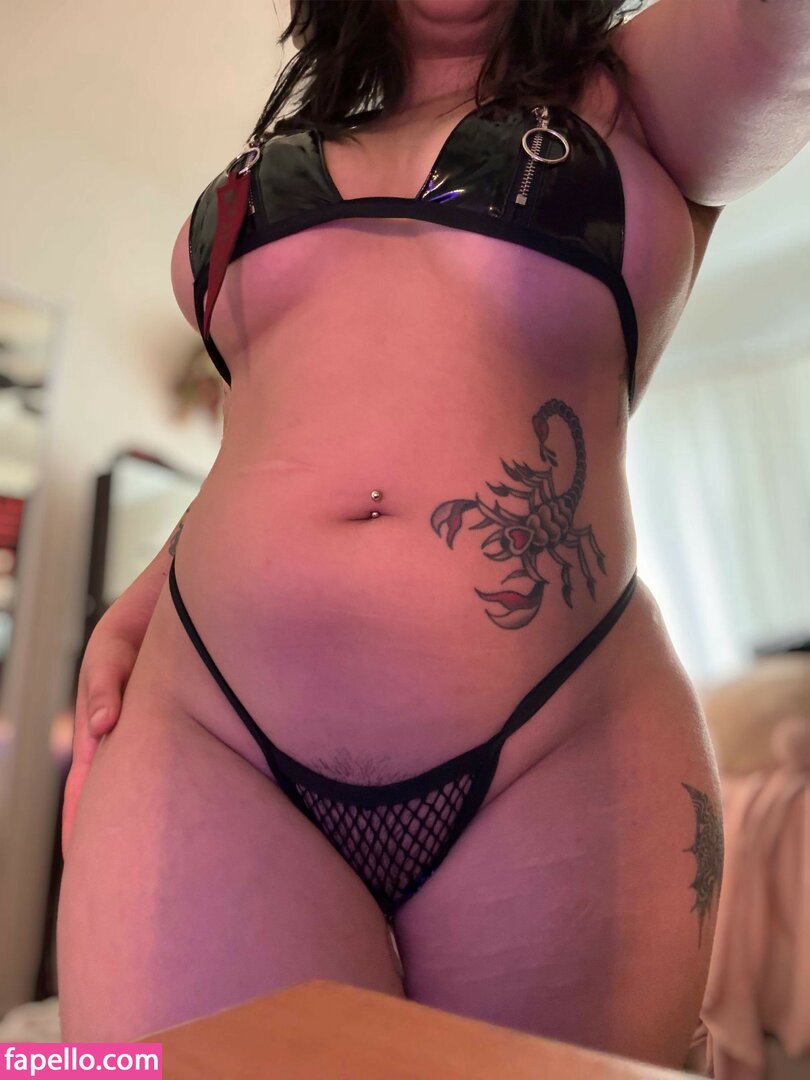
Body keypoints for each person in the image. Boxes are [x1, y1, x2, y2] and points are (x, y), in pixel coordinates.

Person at [55, 0, 809, 1066]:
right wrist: (159, 574)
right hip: (210, 727)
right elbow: (276, 427)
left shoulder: (637, 97)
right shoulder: (278, 155)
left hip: (555, 736)